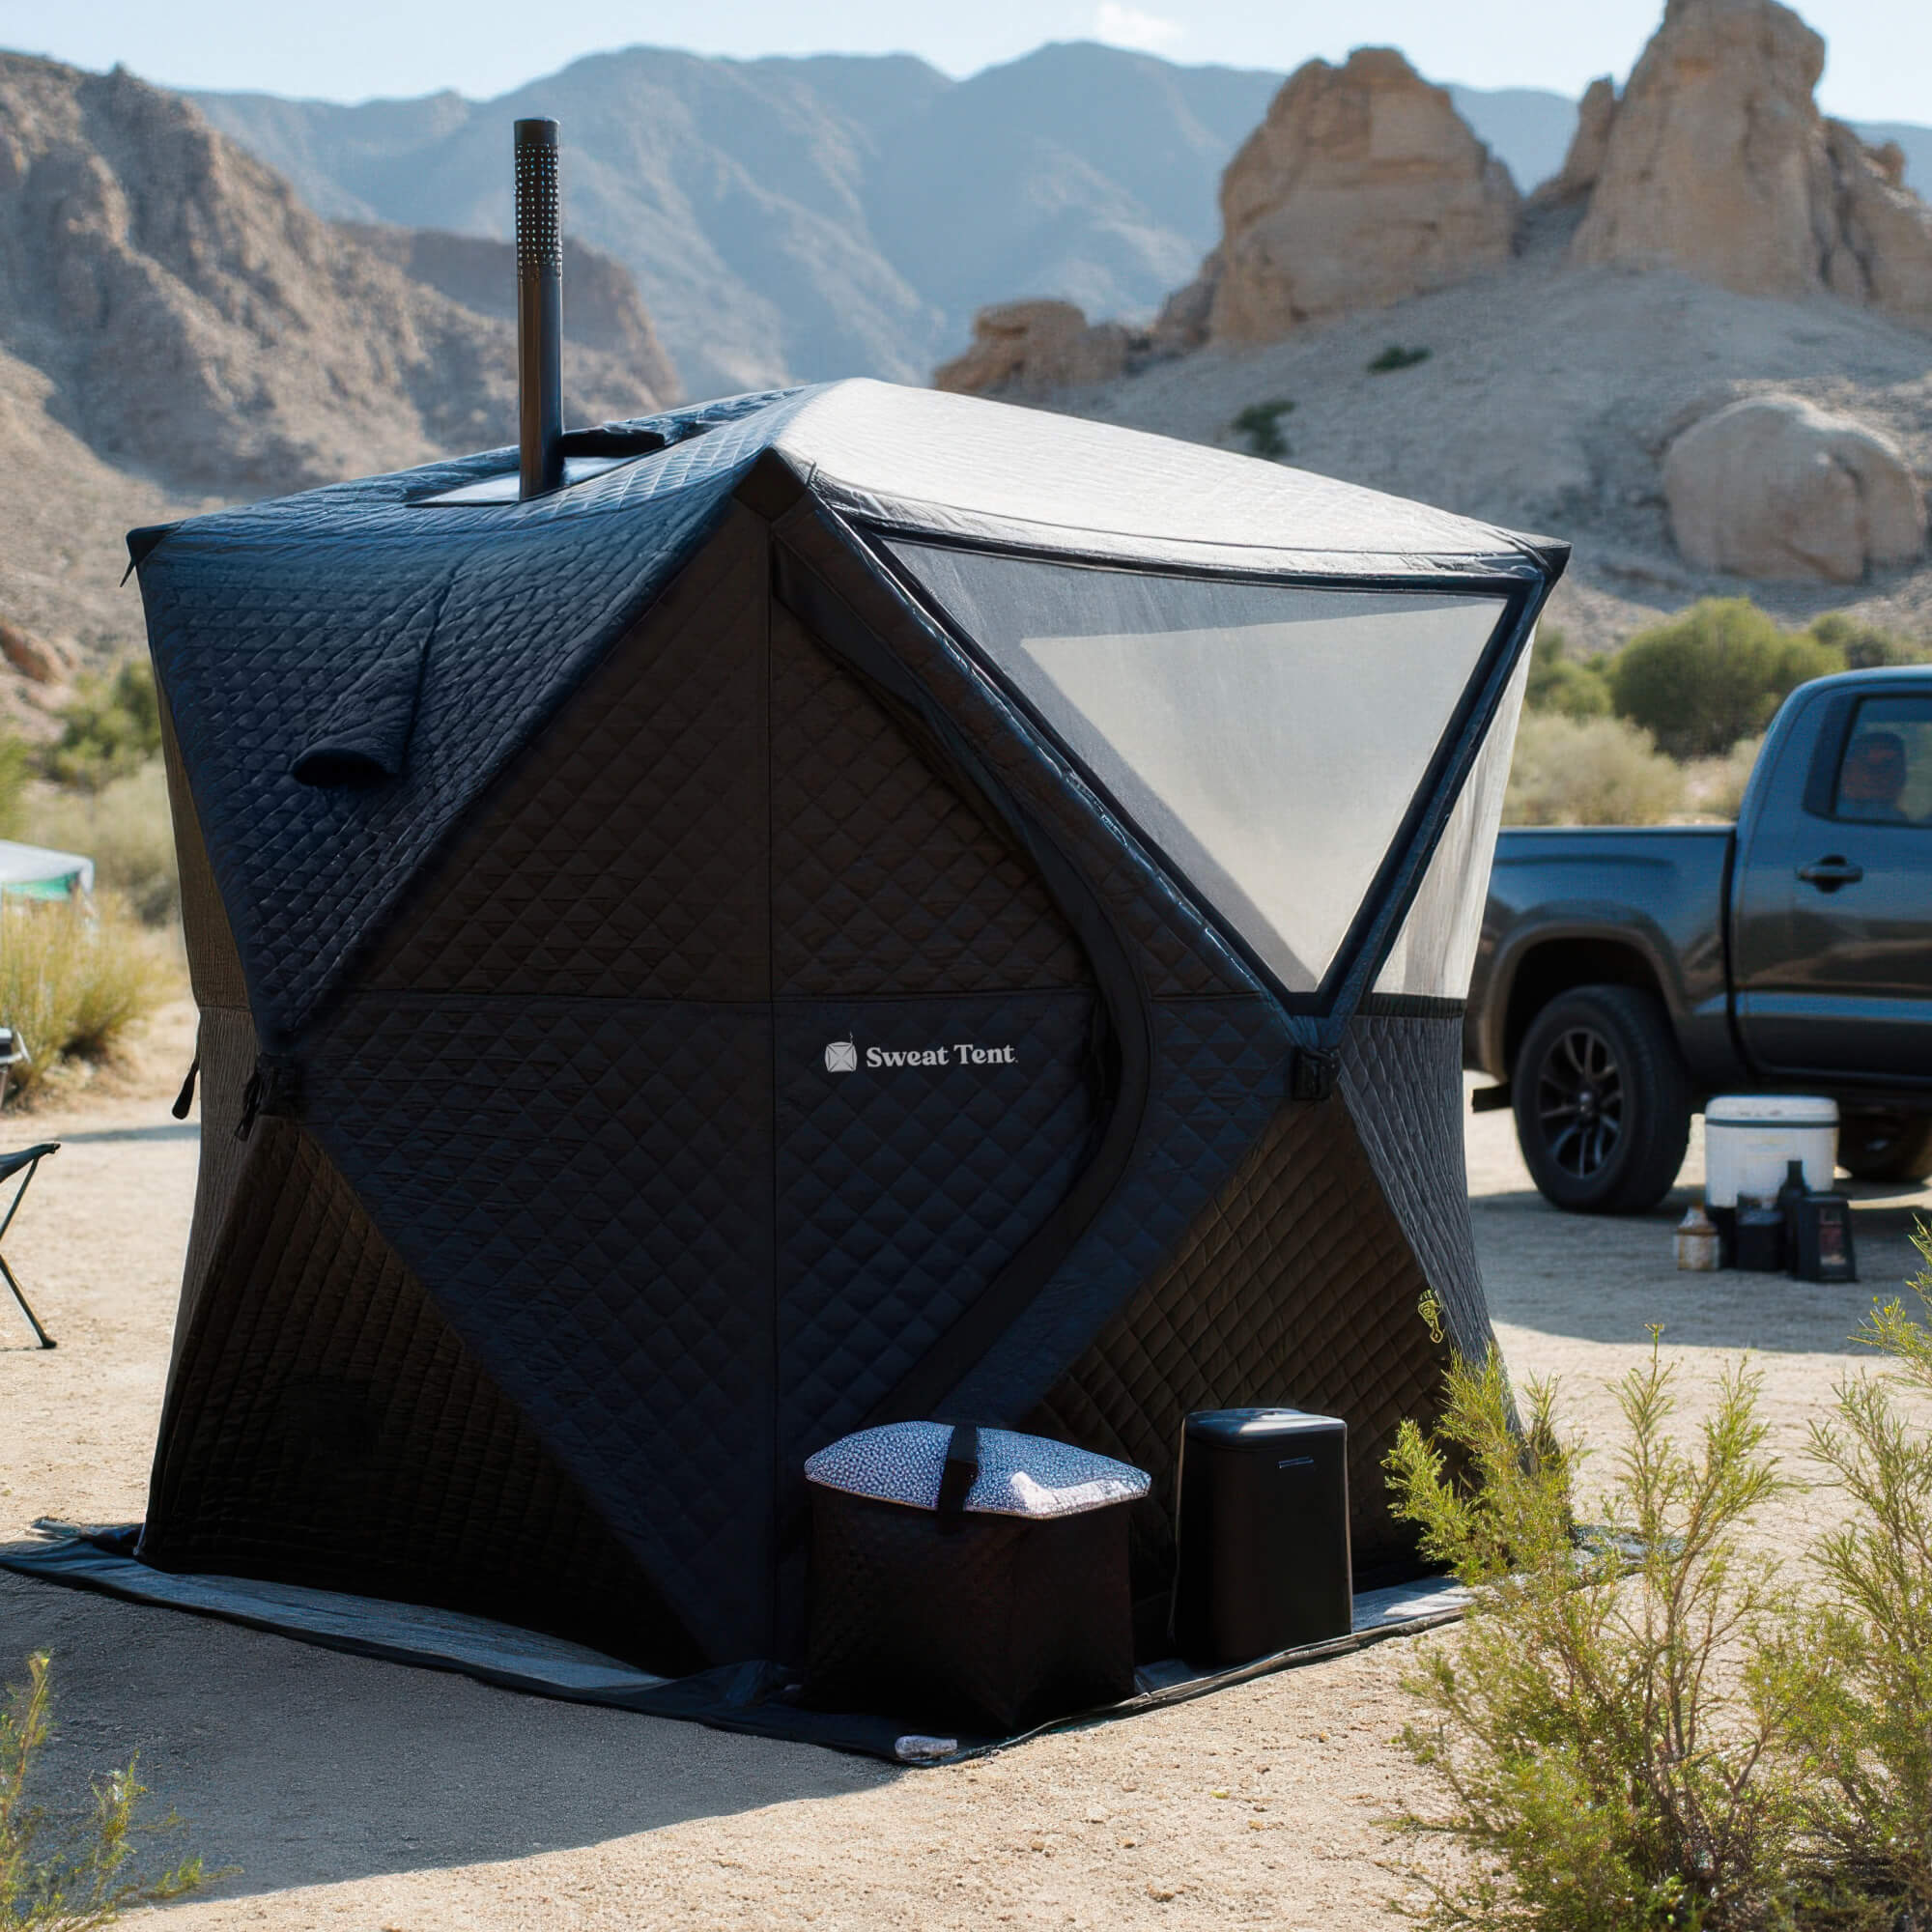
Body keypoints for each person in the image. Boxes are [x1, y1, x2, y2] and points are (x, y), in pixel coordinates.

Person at [1837, 728, 1912, 822]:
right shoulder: (1843, 819)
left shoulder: (1898, 819)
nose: (1880, 774)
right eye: (1869, 766)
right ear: (1846, 773)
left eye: (1890, 765)